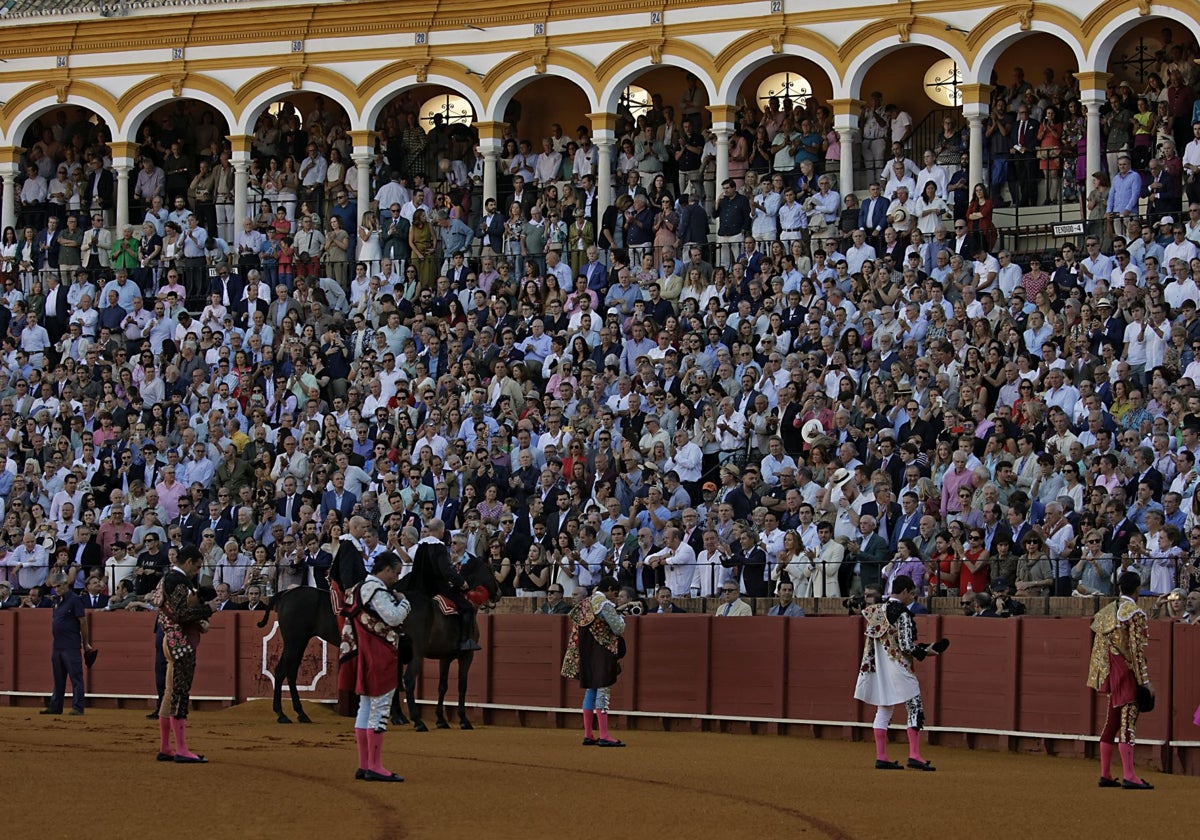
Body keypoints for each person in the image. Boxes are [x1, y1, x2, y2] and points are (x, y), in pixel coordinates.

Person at [853, 574, 946, 771]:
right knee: (914, 706)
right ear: (904, 591)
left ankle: (882, 756)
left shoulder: (877, 610)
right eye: (911, 594)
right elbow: (905, 646)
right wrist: (926, 652)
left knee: (884, 708)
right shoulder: (903, 613)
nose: (912, 598)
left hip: (879, 667)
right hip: (899, 666)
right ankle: (914, 755)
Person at [339, 552, 410, 783]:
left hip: (364, 653)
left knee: (365, 708)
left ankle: (364, 765)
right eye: (396, 573)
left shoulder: (359, 588)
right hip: (380, 655)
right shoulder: (378, 592)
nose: (396, 578)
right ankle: (375, 766)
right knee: (379, 710)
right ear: (387, 570)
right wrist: (405, 602)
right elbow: (393, 617)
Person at [1087, 570, 1155, 789]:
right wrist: (1144, 681)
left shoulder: (1107, 612)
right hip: (1126, 674)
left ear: (1119, 588)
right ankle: (1129, 775)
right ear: (1137, 591)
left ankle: (1105, 774)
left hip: (1111, 671)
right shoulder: (1134, 613)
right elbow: (1136, 652)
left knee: (1112, 721)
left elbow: (1100, 649)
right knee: (1127, 722)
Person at [156, 544, 213, 763]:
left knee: (170, 692)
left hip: (169, 638)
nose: (197, 571)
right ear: (188, 562)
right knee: (180, 692)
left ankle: (165, 747)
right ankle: (181, 749)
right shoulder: (178, 581)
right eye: (196, 567)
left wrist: (198, 620)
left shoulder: (166, 579)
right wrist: (208, 610)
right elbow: (180, 612)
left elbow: (169, 610)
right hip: (181, 643)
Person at [561, 575, 626, 747]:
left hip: (586, 652)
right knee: (603, 690)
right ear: (610, 589)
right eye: (615, 593)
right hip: (602, 652)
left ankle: (588, 734)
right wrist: (621, 617)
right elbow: (619, 628)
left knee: (591, 690)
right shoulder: (604, 604)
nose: (616, 597)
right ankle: (604, 735)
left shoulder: (586, 603)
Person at [412, 517, 480, 651]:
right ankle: (464, 641)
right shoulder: (439, 547)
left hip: (418, 587)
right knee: (467, 608)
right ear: (440, 530)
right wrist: (461, 582)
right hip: (436, 587)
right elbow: (445, 571)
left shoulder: (420, 546)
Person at [39, 572, 92, 716]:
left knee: (76, 677)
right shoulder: (56, 601)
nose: (56, 589)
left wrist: (86, 643)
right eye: (54, 587)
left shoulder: (75, 600)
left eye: (59, 586)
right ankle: (55, 707)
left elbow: (83, 621)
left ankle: (78, 707)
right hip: (58, 645)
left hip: (71, 645)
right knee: (58, 678)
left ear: (66, 584)